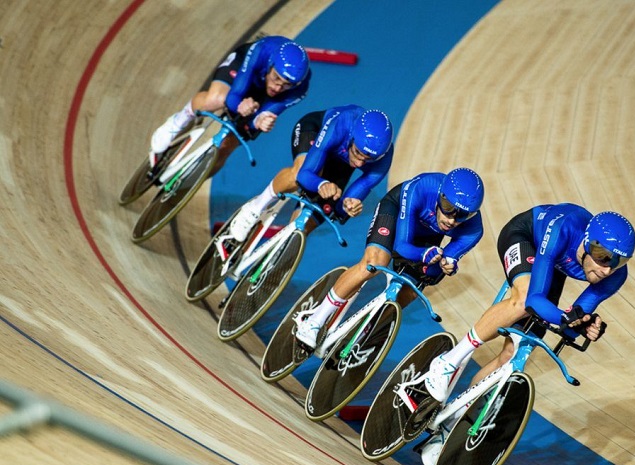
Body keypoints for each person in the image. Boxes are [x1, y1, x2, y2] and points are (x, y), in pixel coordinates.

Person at [416, 203, 635, 465]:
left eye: (619, 262)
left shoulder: (614, 276)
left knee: (511, 357)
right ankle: (449, 361)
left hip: (553, 266)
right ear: (589, 243)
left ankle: (450, 423)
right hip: (527, 237)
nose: (607, 270)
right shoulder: (564, 227)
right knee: (521, 302)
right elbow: (534, 300)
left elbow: (571, 319)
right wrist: (569, 319)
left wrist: (585, 325)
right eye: (604, 257)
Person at [292, 168, 486, 350]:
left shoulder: (474, 229)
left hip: (426, 238)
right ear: (440, 196)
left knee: (410, 290)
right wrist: (422, 255)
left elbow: (447, 260)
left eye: (463, 215)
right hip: (396, 214)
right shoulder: (424, 186)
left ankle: (367, 332)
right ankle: (315, 320)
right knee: (374, 263)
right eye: (448, 208)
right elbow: (401, 245)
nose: (452, 220)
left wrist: (447, 264)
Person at [227, 104, 394, 242]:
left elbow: (345, 205)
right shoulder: (342, 124)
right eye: (358, 153)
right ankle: (254, 208)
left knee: (307, 226)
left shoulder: (383, 160)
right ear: (352, 139)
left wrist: (347, 206)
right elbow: (304, 175)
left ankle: (278, 255)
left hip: (341, 162)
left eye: (367, 160)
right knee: (297, 175)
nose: (359, 163)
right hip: (315, 134)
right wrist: (322, 183)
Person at [149, 35, 310, 171]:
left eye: (286, 85)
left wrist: (258, 120)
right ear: (270, 66)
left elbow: (268, 112)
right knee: (216, 100)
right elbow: (233, 97)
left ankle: (188, 185)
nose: (278, 87)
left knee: (228, 145)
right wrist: (240, 106)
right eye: (276, 78)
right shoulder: (262, 50)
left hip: (263, 97)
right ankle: (177, 122)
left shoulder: (299, 89)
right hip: (246, 71)